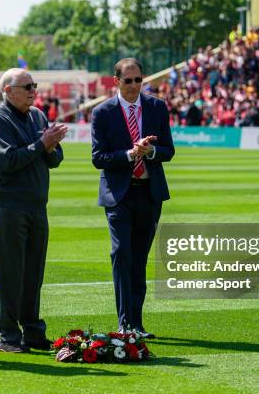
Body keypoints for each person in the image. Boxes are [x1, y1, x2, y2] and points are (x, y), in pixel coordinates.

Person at [0, 68, 67, 353]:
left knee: (33, 271)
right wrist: (42, 144)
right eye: (27, 86)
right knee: (10, 272)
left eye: (34, 85)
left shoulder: (38, 116)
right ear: (8, 91)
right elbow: (7, 160)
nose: (33, 90)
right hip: (10, 204)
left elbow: (55, 159)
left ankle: (32, 331)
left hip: (36, 205)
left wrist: (50, 147)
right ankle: (8, 335)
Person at [91, 58, 175, 338]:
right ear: (116, 81)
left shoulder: (157, 107)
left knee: (139, 259)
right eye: (128, 80)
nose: (134, 85)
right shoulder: (102, 112)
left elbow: (168, 150)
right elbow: (98, 158)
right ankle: (125, 323)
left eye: (138, 79)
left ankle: (136, 324)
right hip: (119, 195)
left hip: (150, 194)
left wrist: (150, 152)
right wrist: (131, 154)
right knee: (121, 255)